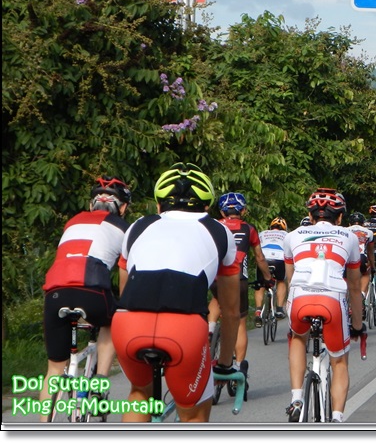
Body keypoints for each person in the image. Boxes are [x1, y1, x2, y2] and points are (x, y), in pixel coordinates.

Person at [111, 163, 237, 423]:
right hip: (183, 328)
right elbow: (231, 310)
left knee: (139, 393)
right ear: (207, 207)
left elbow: (124, 291)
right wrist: (225, 362)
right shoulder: (220, 231)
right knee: (193, 414)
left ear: (159, 205)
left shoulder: (137, 226)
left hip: (128, 324)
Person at [38, 176, 131, 421]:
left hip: (54, 293)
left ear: (92, 205)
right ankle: (100, 380)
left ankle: (41, 430)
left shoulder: (72, 223)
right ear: (122, 208)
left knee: (54, 368)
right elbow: (128, 268)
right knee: (113, 320)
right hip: (92, 289)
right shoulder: (124, 229)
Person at [283, 188, 364, 424]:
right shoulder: (349, 236)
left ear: (310, 216)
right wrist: (357, 325)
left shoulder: (292, 235)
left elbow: (290, 278)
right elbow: (354, 286)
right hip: (332, 300)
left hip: (300, 299)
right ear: (340, 217)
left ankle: (297, 399)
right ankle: (337, 419)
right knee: (339, 362)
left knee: (298, 339)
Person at [207, 192, 274, 390]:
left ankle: (210, 329)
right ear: (243, 211)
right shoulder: (249, 229)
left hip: (214, 277)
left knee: (217, 298)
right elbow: (260, 258)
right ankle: (237, 367)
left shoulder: (213, 226)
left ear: (221, 212)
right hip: (238, 279)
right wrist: (268, 278)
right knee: (240, 323)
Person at [254, 217, 289, 323]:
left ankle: (258, 311)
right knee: (281, 281)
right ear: (284, 228)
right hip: (279, 259)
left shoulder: (263, 233)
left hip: (264, 259)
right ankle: (279, 309)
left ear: (271, 227)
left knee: (260, 284)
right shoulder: (287, 235)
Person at [347, 212, 375, 319]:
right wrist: (373, 266)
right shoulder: (369, 232)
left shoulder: (344, 231)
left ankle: (346, 299)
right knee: (365, 273)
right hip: (362, 256)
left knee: (347, 277)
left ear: (349, 223)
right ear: (363, 223)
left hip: (348, 257)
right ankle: (362, 293)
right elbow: (370, 252)